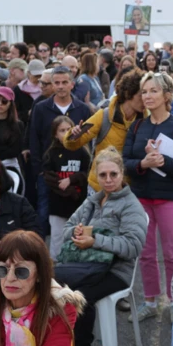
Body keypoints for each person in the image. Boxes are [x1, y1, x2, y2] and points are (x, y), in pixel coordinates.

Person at [55, 150, 146, 346]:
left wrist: (96, 240)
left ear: (122, 173)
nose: (108, 179)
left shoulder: (130, 205)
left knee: (79, 295)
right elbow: (66, 230)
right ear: (96, 175)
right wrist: (75, 233)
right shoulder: (92, 201)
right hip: (84, 265)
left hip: (116, 271)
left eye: (113, 174)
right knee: (49, 285)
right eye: (103, 174)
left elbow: (133, 246)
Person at [122, 71, 173, 321]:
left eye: (153, 91)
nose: (147, 96)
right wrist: (143, 162)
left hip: (168, 198)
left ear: (167, 95)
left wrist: (162, 161)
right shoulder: (137, 125)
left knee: (172, 253)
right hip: (141, 196)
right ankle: (150, 301)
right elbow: (126, 163)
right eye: (144, 92)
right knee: (145, 253)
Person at [27, 66, 92, 236]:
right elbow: (34, 139)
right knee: (43, 212)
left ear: (72, 84)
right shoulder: (41, 108)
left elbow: (88, 142)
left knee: (77, 215)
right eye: (57, 83)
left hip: (74, 172)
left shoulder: (83, 109)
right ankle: (41, 254)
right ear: (52, 85)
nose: (61, 86)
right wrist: (39, 170)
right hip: (48, 172)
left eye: (65, 82)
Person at [63, 71, 143, 194]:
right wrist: (73, 134)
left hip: (128, 189)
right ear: (129, 94)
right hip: (99, 188)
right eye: (141, 94)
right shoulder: (105, 115)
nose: (146, 98)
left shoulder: (147, 119)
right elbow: (72, 144)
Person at [43, 116, 90, 256]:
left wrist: (71, 180)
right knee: (57, 237)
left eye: (68, 129)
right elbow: (49, 177)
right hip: (57, 204)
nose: (65, 133)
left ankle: (75, 264)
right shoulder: (51, 154)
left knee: (77, 236)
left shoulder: (82, 151)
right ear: (55, 135)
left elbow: (87, 173)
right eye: (61, 130)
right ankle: (55, 266)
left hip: (78, 204)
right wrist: (68, 189)